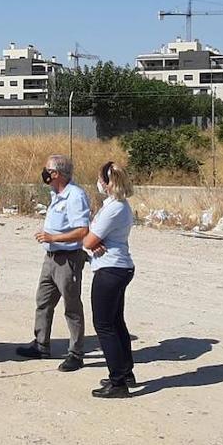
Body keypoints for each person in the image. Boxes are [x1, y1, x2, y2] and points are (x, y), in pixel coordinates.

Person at [16, 154, 91, 372]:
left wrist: (53, 238)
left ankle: (76, 353)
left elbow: (82, 231)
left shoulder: (75, 196)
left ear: (56, 174)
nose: (44, 173)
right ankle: (41, 344)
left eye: (47, 170)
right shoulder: (56, 195)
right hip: (50, 258)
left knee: (72, 306)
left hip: (68, 259)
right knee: (43, 300)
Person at [84, 161, 137, 398]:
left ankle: (118, 382)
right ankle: (125, 371)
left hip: (110, 269)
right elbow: (94, 238)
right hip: (117, 267)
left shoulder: (114, 207)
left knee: (104, 325)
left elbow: (88, 241)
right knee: (116, 322)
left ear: (107, 183)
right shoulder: (117, 206)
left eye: (100, 178)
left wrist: (91, 239)